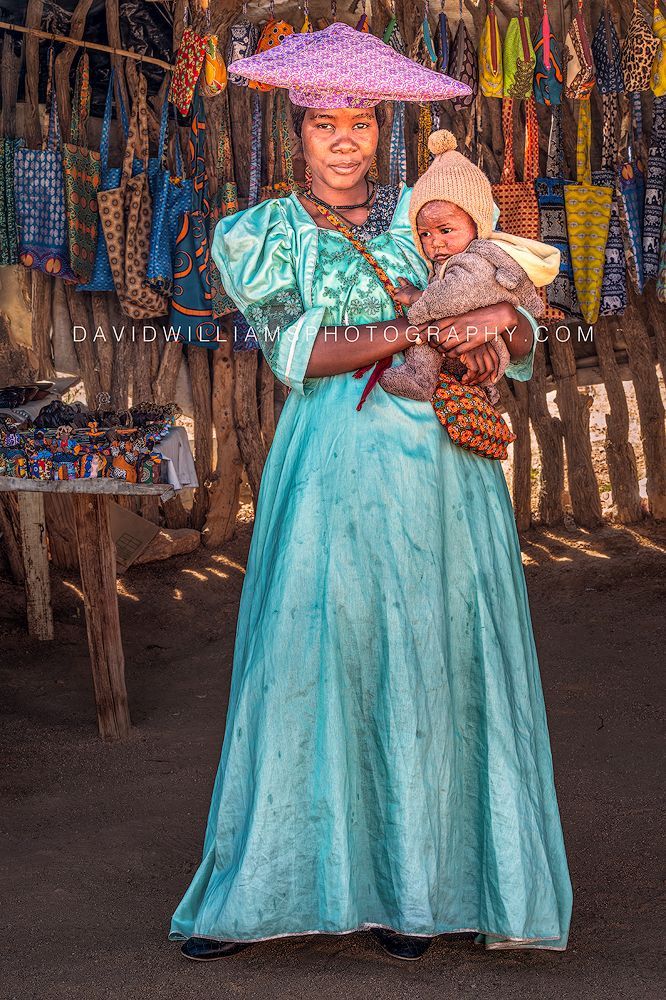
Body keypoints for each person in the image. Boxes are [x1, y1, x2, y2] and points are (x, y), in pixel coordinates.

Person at [170, 23, 572, 962]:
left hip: (441, 480)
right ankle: (265, 884)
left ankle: (412, 888)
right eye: (324, 127)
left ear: (382, 128)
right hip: (334, 472)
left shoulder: (426, 219)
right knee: (315, 651)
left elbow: (516, 329)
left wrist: (495, 323)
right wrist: (417, 336)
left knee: (428, 656)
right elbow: (301, 353)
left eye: (358, 122)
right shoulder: (265, 235)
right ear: (297, 136)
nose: (343, 141)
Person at [380, 129, 559, 409]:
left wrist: (417, 301)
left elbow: (452, 296)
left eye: (446, 230)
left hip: (489, 343)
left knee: (427, 343)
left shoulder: (475, 258)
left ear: (477, 223)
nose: (435, 242)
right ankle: (479, 389)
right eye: (424, 234)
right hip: (467, 344)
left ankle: (420, 379)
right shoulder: (449, 257)